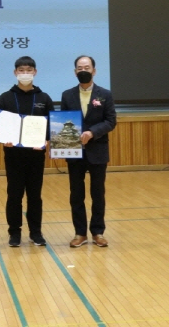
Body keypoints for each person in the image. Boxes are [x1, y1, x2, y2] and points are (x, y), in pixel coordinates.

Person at [0, 56, 54, 247]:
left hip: (36, 155)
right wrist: (4, 138)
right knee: (14, 195)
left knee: (35, 195)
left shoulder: (44, 98)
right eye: (21, 70)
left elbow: (52, 126)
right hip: (13, 155)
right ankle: (14, 233)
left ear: (35, 72)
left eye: (28, 70)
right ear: (15, 73)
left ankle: (36, 232)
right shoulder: (5, 98)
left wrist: (45, 141)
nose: (25, 73)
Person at [60, 55, 117, 248]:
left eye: (86, 67)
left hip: (97, 150)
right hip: (74, 151)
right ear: (75, 72)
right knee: (76, 194)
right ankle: (80, 233)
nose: (83, 70)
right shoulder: (67, 95)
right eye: (79, 68)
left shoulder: (105, 94)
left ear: (94, 70)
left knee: (98, 193)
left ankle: (98, 232)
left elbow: (111, 121)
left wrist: (92, 132)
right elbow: (64, 121)